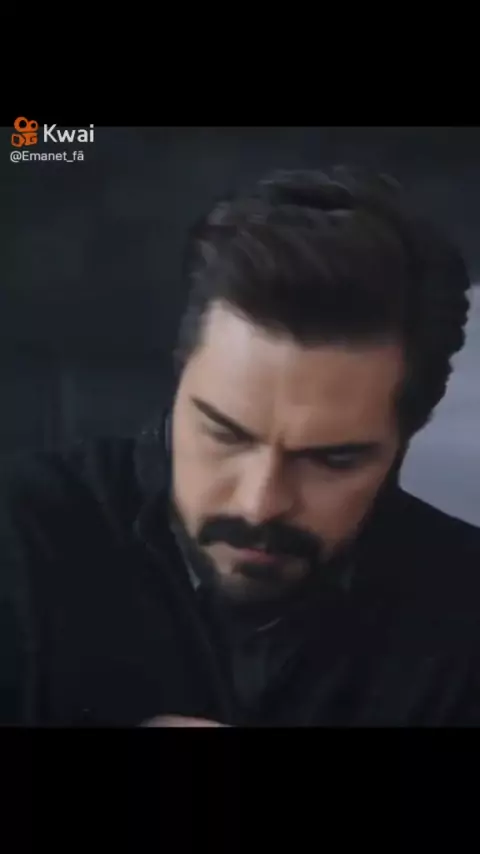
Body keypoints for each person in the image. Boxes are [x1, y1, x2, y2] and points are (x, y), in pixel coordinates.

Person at [2, 167, 480, 728]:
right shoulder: (17, 538)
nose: (259, 504)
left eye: (333, 460)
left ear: (406, 438)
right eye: (225, 434)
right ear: (180, 377)